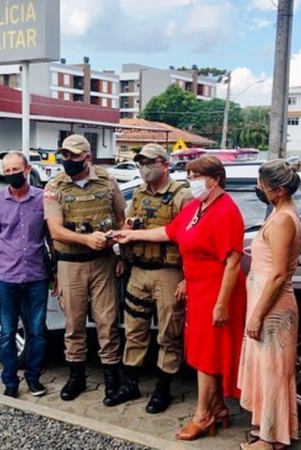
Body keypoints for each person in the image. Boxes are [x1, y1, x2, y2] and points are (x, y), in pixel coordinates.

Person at [114, 155, 246, 441]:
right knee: (198, 352)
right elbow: (169, 232)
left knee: (208, 356)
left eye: (196, 176)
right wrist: (132, 237)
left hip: (217, 291)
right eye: (189, 175)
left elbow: (233, 262)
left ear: (213, 179)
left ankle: (202, 415)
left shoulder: (226, 211)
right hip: (198, 290)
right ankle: (218, 408)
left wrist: (222, 303)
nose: (191, 181)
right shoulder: (198, 207)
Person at [104, 143, 192, 413]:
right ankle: (130, 384)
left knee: (169, 333)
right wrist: (123, 240)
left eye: (150, 162)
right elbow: (128, 225)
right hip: (139, 271)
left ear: (165, 165)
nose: (144, 168)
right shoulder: (140, 193)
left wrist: (187, 278)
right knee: (134, 330)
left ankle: (163, 389)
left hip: (168, 271)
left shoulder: (182, 196)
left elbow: (189, 240)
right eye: (141, 162)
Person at [44, 134, 126, 402]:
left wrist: (118, 249)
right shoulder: (55, 186)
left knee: (107, 322)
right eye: (64, 155)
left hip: (103, 263)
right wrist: (86, 239)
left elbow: (122, 220)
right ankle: (76, 376)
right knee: (74, 324)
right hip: (71, 265)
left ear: (87, 157)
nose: (67, 160)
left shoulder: (107, 181)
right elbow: (55, 230)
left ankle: (112, 378)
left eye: (73, 156)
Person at [237, 159, 301, 450]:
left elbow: (277, 275)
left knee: (274, 373)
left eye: (262, 185)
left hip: (273, 308)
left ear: (277, 190)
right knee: (267, 370)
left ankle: (269, 440)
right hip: (265, 302)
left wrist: (256, 316)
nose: (258, 189)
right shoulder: (279, 213)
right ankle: (270, 430)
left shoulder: (284, 219)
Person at [0, 152, 48, 399]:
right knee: (8, 332)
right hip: (7, 279)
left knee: (37, 332)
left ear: (27, 168)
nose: (12, 174)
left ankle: (33, 378)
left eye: (16, 170)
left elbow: (52, 237)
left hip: (36, 277)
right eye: (7, 171)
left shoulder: (43, 199)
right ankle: (10, 381)